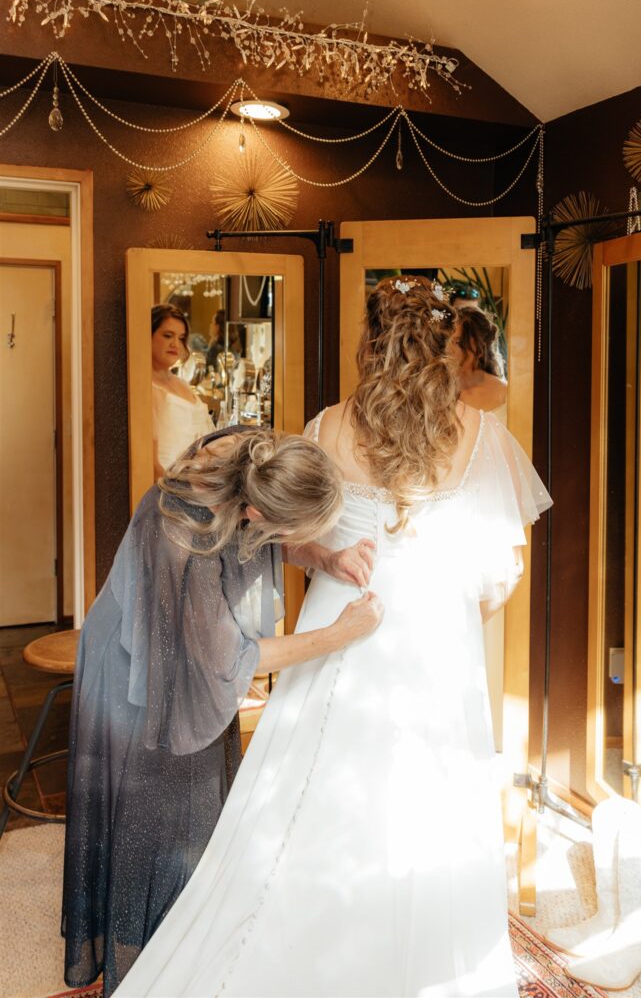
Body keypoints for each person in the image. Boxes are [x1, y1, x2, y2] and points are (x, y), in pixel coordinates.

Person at [115, 276, 551, 998]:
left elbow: (288, 537)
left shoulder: (328, 426)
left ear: (369, 343)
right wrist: (445, 616)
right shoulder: (482, 435)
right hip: (436, 633)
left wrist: (335, 560)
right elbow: (503, 572)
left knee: (307, 788)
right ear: (442, 346)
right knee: (424, 799)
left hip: (339, 610)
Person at [62, 426, 383, 997]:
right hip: (133, 665)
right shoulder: (186, 534)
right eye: (293, 532)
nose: (294, 542)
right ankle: (150, 962)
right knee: (157, 820)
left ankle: (189, 934)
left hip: (178, 638)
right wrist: (338, 634)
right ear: (257, 513)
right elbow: (230, 661)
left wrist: (327, 558)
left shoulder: (258, 456)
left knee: (196, 803)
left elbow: (269, 535)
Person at [452, 303, 509, 751]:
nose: (446, 349)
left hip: (486, 498)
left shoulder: (494, 393)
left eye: (454, 341)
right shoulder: (442, 391)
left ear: (474, 347)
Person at [151, 303, 215, 476]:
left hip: (199, 481)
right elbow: (151, 462)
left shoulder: (181, 383)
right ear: (148, 336)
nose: (175, 344)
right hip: (169, 483)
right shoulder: (146, 387)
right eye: (167, 335)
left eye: (181, 338)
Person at [453, 303, 507, 419]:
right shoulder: (437, 393)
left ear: (480, 347)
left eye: (457, 342)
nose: (448, 350)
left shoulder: (505, 393)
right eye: (446, 341)